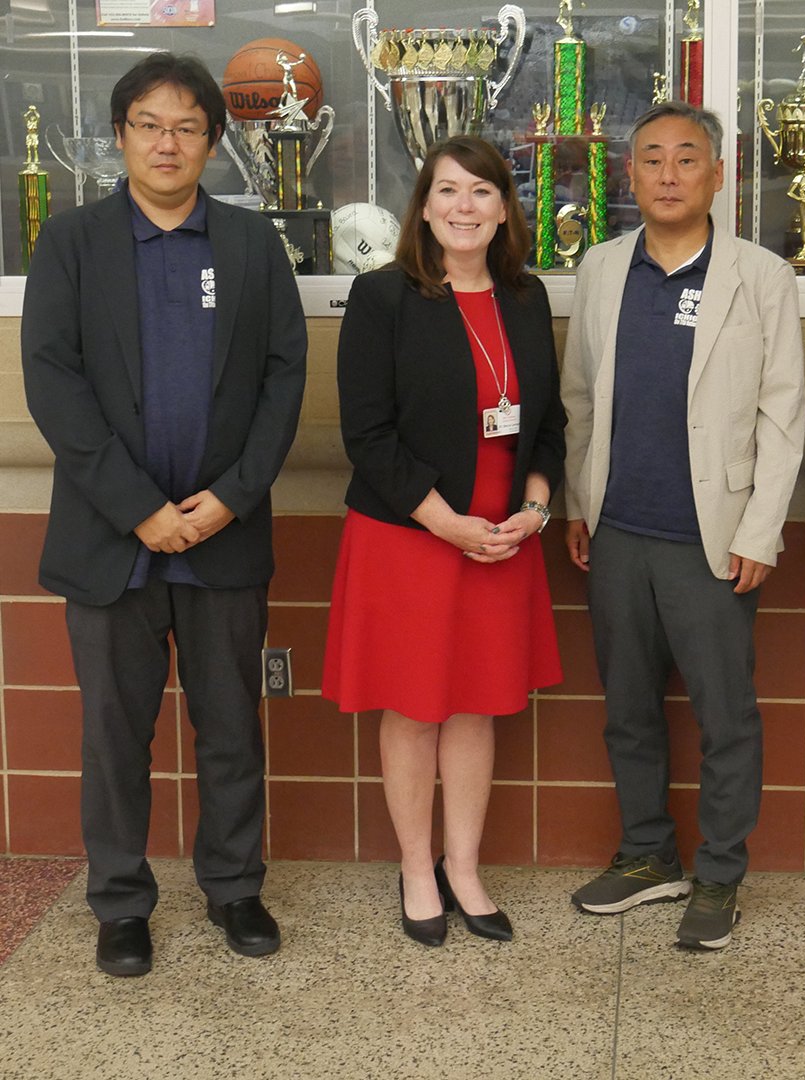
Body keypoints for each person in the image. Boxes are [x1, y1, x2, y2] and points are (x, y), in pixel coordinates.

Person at [21, 53, 307, 976]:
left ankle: (234, 887)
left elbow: (284, 378)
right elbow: (53, 384)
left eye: (187, 127)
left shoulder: (252, 244)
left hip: (224, 535)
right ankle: (120, 901)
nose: (167, 143)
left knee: (231, 727)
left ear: (213, 143)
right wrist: (140, 508)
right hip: (115, 540)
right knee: (115, 735)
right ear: (120, 137)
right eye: (149, 125)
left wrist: (232, 497)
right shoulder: (72, 244)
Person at [561, 101, 805, 950]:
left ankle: (720, 874)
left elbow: (782, 416)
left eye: (687, 158)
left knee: (724, 717)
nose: (669, 175)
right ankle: (647, 856)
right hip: (619, 530)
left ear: (718, 174)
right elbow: (580, 397)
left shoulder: (760, 276)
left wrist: (760, 531)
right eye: (653, 159)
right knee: (628, 709)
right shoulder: (602, 268)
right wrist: (579, 504)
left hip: (714, 538)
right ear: (629, 175)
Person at [323, 135, 564, 947]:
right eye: (449, 190)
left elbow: (548, 425)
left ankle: (464, 867)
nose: (466, 207)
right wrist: (445, 522)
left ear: (504, 209)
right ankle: (417, 869)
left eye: (482, 192)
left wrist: (534, 509)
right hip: (412, 535)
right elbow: (367, 433)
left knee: (476, 705)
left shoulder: (526, 298)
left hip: (502, 538)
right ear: (423, 207)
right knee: (414, 707)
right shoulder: (383, 297)